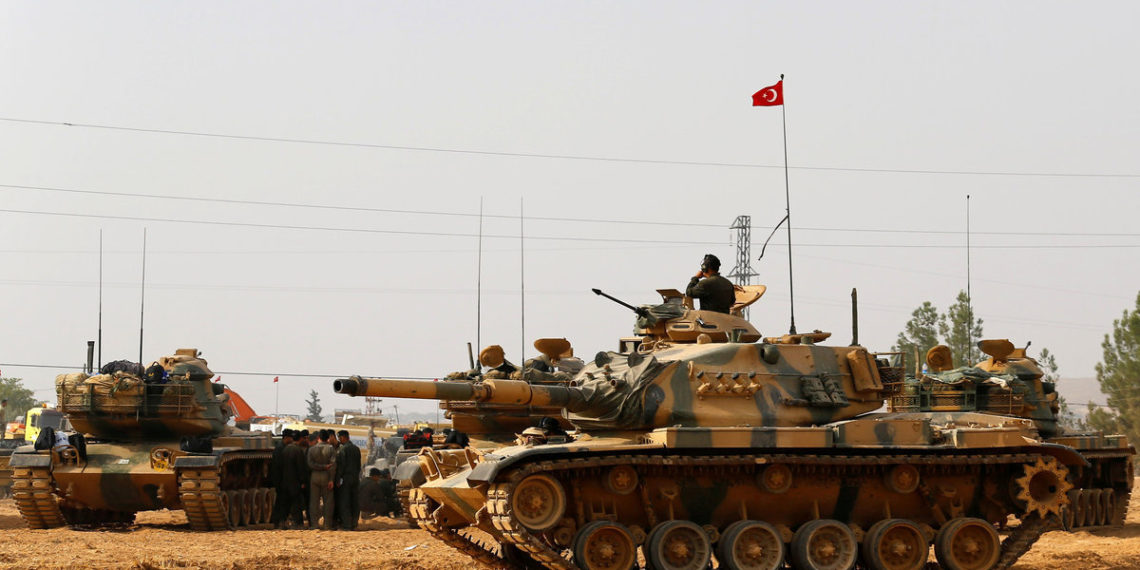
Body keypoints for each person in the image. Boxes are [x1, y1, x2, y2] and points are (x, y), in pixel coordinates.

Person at [276, 430, 308, 528]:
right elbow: (301, 467)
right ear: (300, 439)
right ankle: (298, 523)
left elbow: (280, 466)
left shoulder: (285, 450)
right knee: (296, 504)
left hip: (285, 481)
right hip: (295, 482)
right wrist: (303, 481)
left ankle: (282, 522)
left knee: (285, 503)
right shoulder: (298, 451)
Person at [306, 429, 337, 530]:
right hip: (327, 477)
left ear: (318, 437)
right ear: (328, 438)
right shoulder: (331, 448)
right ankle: (327, 524)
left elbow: (310, 464)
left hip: (314, 476)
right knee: (328, 502)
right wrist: (331, 479)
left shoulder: (312, 449)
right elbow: (333, 465)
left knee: (314, 502)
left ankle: (314, 524)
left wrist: (319, 466)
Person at [335, 430, 362, 530]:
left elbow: (341, 467)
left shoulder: (343, 450)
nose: (339, 440)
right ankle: (354, 523)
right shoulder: (356, 449)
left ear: (343, 437)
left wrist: (338, 479)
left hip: (345, 479)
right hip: (355, 478)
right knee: (354, 502)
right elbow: (359, 466)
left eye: (339, 438)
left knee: (344, 502)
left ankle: (346, 525)